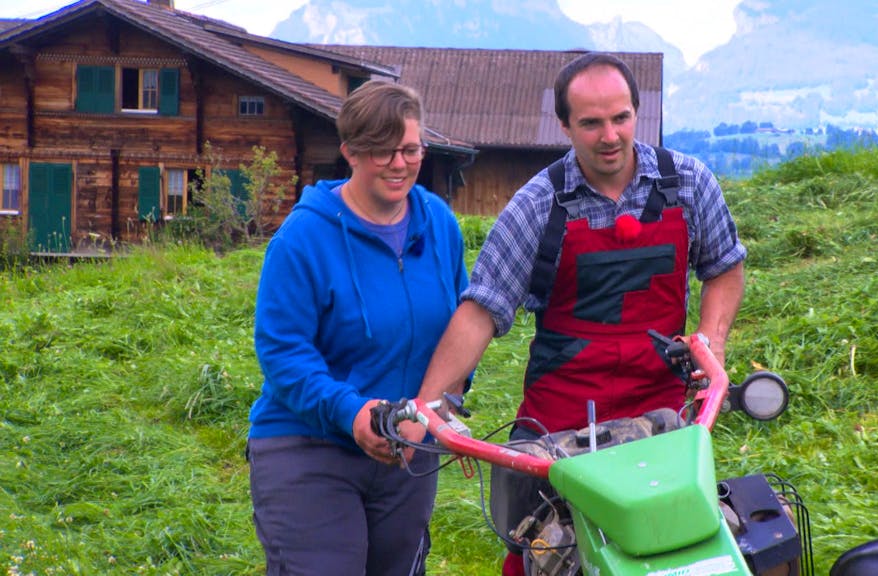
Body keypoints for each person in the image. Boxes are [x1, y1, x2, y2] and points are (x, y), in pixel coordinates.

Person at [418, 52, 747, 575]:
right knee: (548, 548)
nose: (609, 135)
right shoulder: (538, 205)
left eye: (620, 118)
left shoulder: (688, 183)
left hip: (660, 405)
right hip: (561, 413)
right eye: (591, 123)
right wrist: (432, 405)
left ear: (638, 113)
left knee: (674, 537)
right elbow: (482, 308)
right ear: (565, 124)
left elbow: (725, 267)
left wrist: (710, 342)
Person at [246, 80, 468, 575]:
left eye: (410, 149)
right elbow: (283, 353)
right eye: (381, 151)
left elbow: (461, 327)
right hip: (309, 446)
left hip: (407, 445)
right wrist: (352, 412)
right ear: (350, 151)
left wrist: (437, 407)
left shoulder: (439, 224)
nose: (399, 163)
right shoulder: (303, 239)